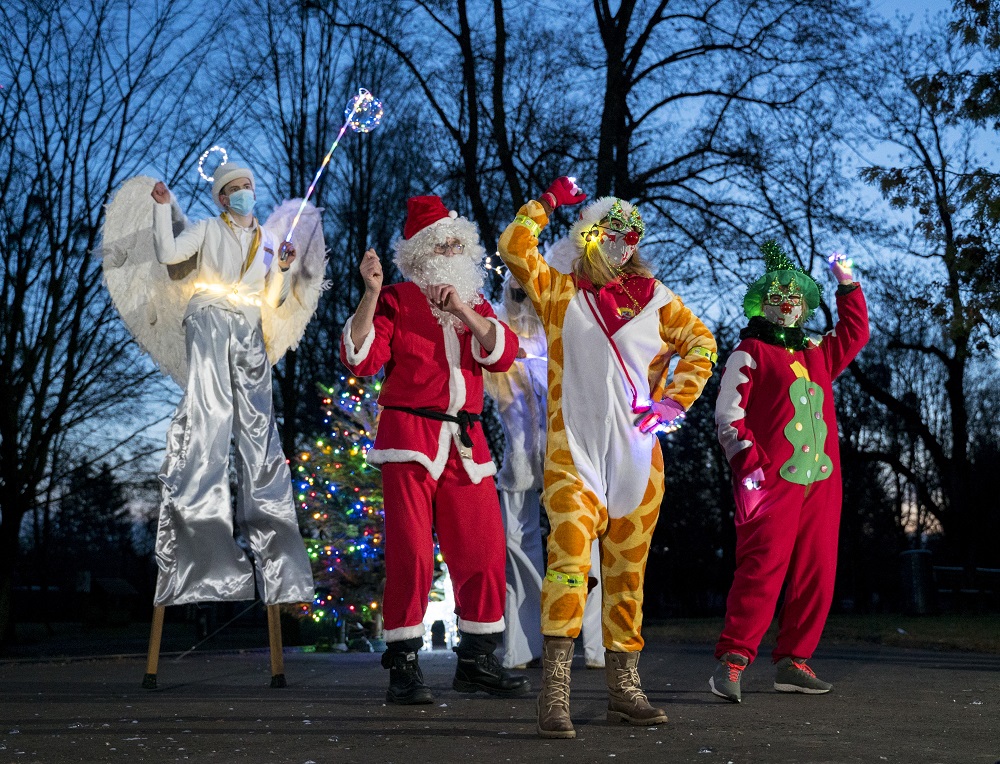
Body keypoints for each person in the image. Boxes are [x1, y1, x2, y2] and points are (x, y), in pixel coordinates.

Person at [498, 177, 718, 738]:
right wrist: (548, 203)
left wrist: (674, 401)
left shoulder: (658, 299)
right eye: (611, 234)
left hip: (637, 461)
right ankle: (555, 694)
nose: (623, 245)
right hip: (573, 456)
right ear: (589, 237)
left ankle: (624, 690)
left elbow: (703, 343)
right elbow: (514, 247)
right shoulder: (558, 292)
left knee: (626, 579)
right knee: (568, 565)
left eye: (631, 238)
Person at [339, 195, 530, 705]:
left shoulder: (475, 303)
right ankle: (403, 665)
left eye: (457, 244)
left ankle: (476, 660)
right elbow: (361, 358)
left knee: (484, 550)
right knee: (412, 554)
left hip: (466, 442)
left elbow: (502, 354)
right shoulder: (397, 300)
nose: (451, 252)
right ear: (421, 253)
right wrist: (370, 294)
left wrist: (463, 310)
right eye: (441, 245)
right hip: (410, 440)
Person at [147, 162, 314, 608]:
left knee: (259, 431)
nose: (244, 193)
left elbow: (273, 298)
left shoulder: (268, 240)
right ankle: (204, 555)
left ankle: (279, 560)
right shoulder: (206, 229)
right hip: (208, 318)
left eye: (248, 186)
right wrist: (163, 208)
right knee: (212, 415)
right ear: (222, 197)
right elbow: (167, 255)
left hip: (248, 325)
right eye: (235, 188)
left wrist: (282, 268)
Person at [710, 242, 869, 703]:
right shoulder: (750, 351)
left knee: (816, 572)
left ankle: (793, 662)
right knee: (763, 569)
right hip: (769, 482)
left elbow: (855, 334)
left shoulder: (817, 351)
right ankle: (733, 661)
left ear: (804, 306)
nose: (787, 304)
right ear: (763, 304)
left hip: (821, 483)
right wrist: (750, 466)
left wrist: (847, 284)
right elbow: (728, 417)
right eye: (778, 298)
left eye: (795, 298)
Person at [483, 273, 548, 670]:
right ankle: (524, 646)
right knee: (517, 545)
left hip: (563, 457)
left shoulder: (554, 325)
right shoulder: (495, 325)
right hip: (517, 459)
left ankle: (591, 645)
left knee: (581, 546)